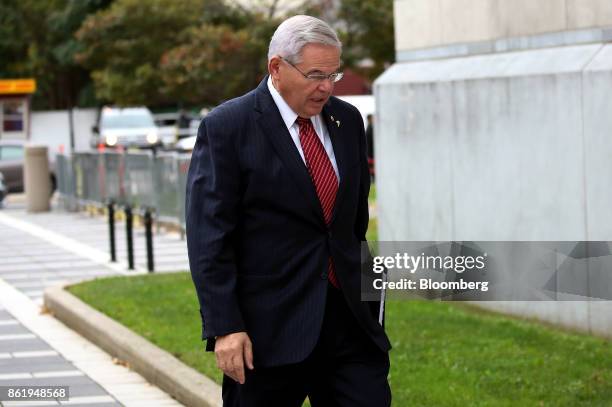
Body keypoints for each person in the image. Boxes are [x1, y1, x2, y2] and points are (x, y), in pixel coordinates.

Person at [186, 15, 391, 407]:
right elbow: (209, 240)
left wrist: (372, 302)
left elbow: (351, 227)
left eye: (333, 74)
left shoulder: (347, 121)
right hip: (268, 335)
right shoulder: (228, 127)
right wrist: (225, 326)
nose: (326, 87)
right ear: (276, 68)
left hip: (351, 329)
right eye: (316, 74)